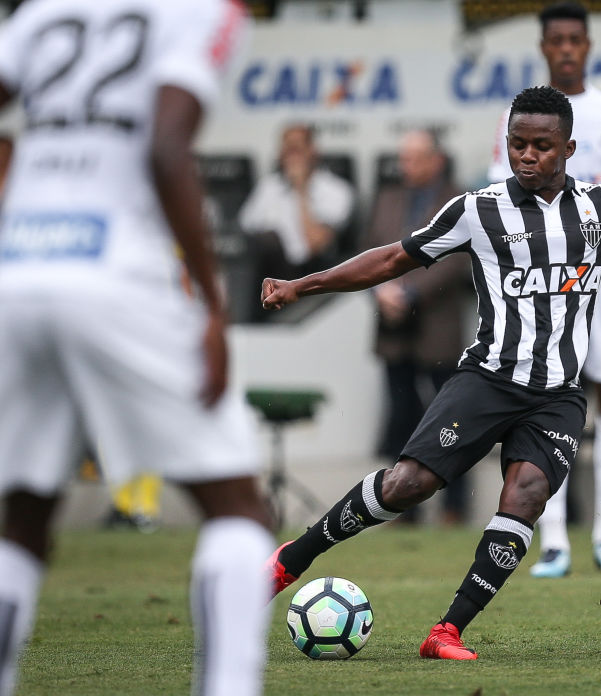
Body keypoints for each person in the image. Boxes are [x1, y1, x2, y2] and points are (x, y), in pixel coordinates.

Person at [262, 84, 601, 660]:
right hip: (485, 380)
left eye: (541, 146)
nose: (527, 156)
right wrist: (303, 284)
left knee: (526, 494)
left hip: (556, 393)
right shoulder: (477, 210)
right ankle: (290, 560)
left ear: (569, 148)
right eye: (517, 144)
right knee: (410, 485)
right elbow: (392, 257)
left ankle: (446, 632)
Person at [0, 2, 275, 695]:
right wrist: (213, 305)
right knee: (239, 505)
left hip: (18, 269)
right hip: (113, 265)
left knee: (23, 512)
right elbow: (165, 146)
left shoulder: (45, 10)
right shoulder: (201, 10)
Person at [487, 1, 601, 578]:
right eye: (557, 41)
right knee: (544, 402)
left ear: (588, 45)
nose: (567, 48)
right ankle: (553, 544)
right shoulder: (520, 118)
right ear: (544, 48)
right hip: (545, 285)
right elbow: (503, 203)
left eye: (575, 40)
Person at [365, 129, 470, 524]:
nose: (405, 165)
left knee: (448, 423)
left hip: (437, 329)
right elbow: (370, 252)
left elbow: (458, 260)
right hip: (393, 332)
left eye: (414, 158)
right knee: (401, 419)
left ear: (435, 160)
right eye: (403, 158)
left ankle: (454, 508)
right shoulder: (387, 198)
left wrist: (409, 293)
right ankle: (401, 509)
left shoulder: (459, 198)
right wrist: (381, 293)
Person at [239, 122, 356, 309]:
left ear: (313, 150)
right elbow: (246, 232)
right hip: (267, 276)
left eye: (297, 149)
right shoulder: (268, 188)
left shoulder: (337, 191)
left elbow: (316, 244)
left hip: (311, 274)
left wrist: (301, 190)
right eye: (287, 149)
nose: (291, 156)